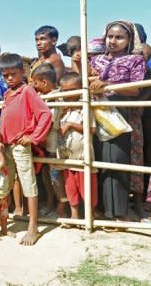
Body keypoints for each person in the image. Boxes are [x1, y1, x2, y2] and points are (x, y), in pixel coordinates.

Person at [87, 20, 146, 223]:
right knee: (100, 161)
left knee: (117, 160)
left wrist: (107, 84)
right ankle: (102, 210)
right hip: (96, 113)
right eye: (110, 36)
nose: (113, 41)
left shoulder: (134, 60)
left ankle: (119, 213)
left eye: (119, 37)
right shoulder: (95, 61)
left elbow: (135, 89)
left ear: (129, 39)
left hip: (119, 114)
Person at [0, 53, 52, 246]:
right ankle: (0, 219)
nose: (9, 78)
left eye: (13, 74)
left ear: (23, 72)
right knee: (4, 183)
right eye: (5, 75)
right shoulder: (8, 93)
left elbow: (45, 114)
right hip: (6, 146)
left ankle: (33, 227)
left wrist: (34, 137)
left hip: (21, 146)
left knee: (29, 185)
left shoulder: (28, 91)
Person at [57, 72, 97, 228]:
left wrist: (72, 125)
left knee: (87, 187)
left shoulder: (85, 107)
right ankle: (74, 216)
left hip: (83, 157)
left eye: (72, 90)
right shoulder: (61, 108)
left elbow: (92, 129)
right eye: (65, 91)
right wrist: (62, 113)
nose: (69, 95)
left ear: (80, 89)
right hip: (67, 157)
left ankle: (90, 216)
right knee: (70, 187)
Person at [31, 63, 69, 218]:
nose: (34, 86)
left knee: (55, 174)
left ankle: (62, 203)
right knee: (47, 173)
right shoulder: (42, 96)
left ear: (44, 82)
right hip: (45, 143)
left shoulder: (56, 96)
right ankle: (50, 201)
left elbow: (50, 121)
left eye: (36, 83)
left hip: (54, 144)